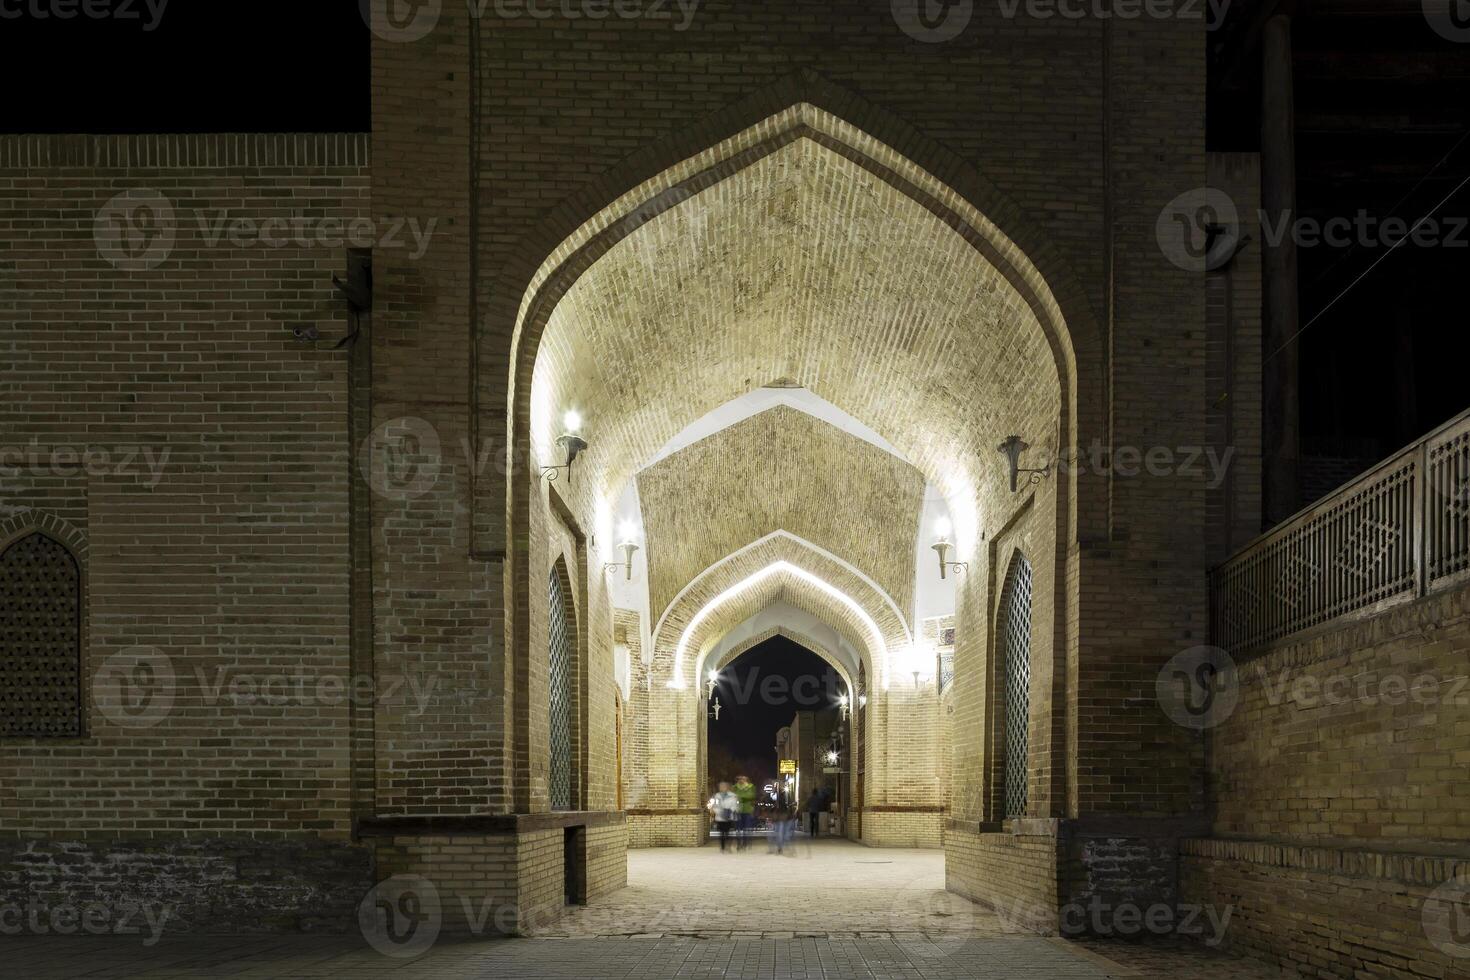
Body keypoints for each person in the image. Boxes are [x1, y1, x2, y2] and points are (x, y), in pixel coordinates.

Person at [707, 781, 739, 852]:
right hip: (720, 817)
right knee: (721, 833)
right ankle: (722, 847)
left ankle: (728, 846)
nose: (722, 788)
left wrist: (730, 810)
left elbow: (735, 805)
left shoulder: (733, 795)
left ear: (727, 787)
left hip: (729, 817)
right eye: (721, 787)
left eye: (724, 786)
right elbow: (715, 806)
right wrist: (720, 812)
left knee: (727, 832)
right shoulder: (717, 796)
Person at [732, 775, 756, 851]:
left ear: (746, 780)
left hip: (747, 810)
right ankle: (739, 843)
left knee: (746, 828)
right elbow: (733, 796)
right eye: (740, 779)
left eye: (743, 779)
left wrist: (740, 797)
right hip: (738, 810)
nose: (741, 780)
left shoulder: (751, 787)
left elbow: (751, 796)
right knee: (738, 829)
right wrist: (744, 798)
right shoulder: (735, 787)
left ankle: (745, 843)